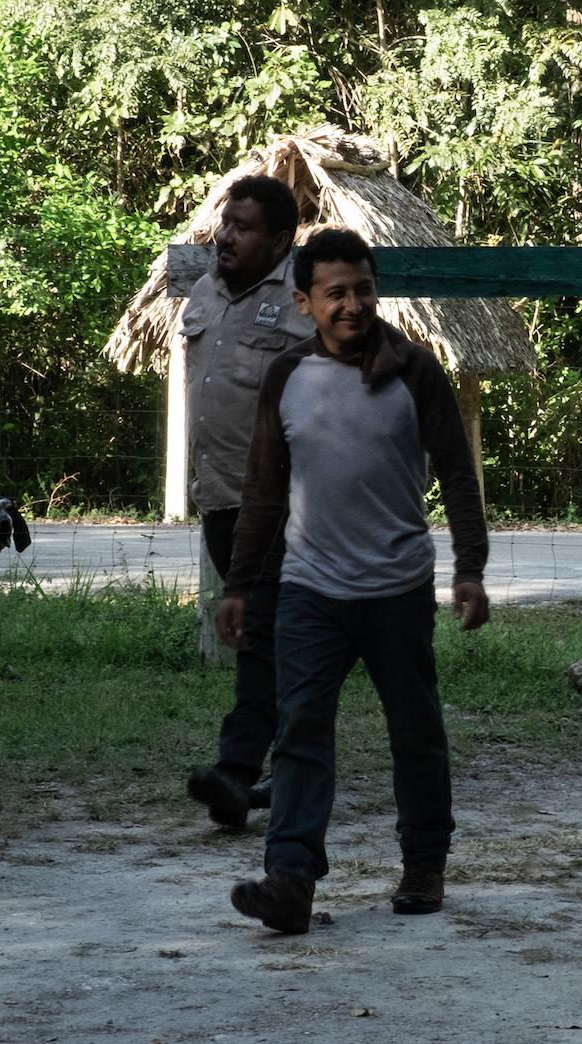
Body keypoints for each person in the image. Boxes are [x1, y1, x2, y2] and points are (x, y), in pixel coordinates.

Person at [217, 228, 491, 935]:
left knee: (416, 732)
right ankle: (290, 880)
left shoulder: (414, 369)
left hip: (398, 588)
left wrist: (469, 567)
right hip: (310, 589)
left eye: (364, 289)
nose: (353, 304)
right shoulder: (287, 377)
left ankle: (424, 864)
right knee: (300, 732)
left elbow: (458, 473)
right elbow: (263, 491)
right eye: (335, 293)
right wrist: (239, 586)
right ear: (304, 303)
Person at [180, 175, 313, 829]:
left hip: (282, 506)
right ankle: (293, 766)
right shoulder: (204, 291)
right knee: (268, 645)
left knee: (261, 640)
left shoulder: (304, 301)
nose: (226, 236)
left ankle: (236, 773)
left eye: (243, 227)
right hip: (219, 497)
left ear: (280, 241)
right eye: (225, 224)